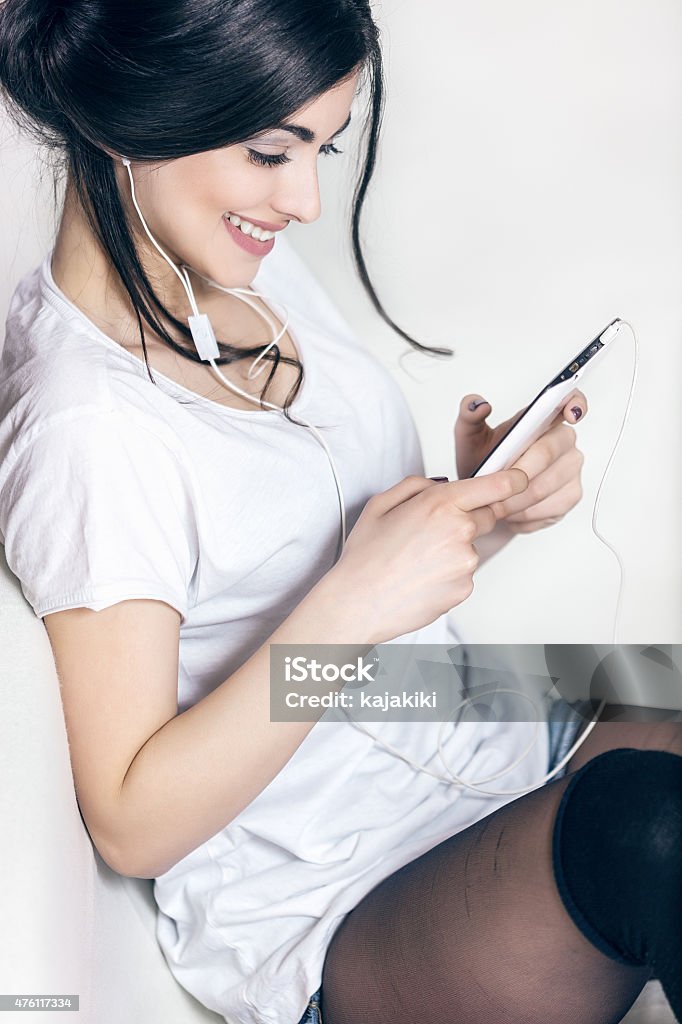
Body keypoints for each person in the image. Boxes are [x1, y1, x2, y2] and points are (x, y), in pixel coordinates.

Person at [0, 3, 680, 1023]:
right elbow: (133, 821)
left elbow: (315, 538)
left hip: (467, 720)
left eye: (322, 146)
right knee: (649, 829)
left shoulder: (239, 259)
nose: (307, 199)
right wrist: (348, 608)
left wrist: (479, 508)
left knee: (656, 668)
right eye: (271, 151)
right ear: (126, 118)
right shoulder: (87, 430)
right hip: (339, 883)